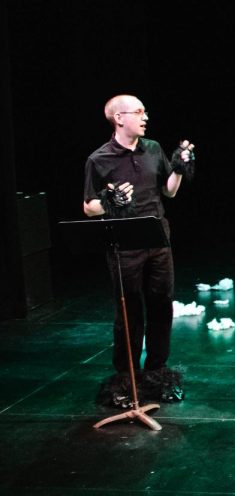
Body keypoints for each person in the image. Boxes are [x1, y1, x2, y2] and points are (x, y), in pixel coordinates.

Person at [83, 94, 194, 406]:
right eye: (139, 112)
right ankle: (126, 377)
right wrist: (109, 201)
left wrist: (179, 167)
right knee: (129, 312)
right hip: (125, 245)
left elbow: (168, 192)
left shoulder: (154, 149)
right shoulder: (99, 159)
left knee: (162, 306)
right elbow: (88, 207)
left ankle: (156, 371)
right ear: (119, 118)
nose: (145, 117)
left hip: (158, 241)